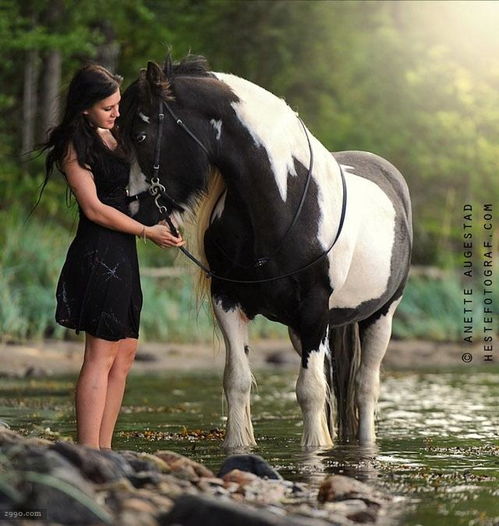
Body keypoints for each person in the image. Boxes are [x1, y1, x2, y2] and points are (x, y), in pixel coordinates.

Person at [41, 64, 183, 449]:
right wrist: (145, 231)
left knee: (124, 354)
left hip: (124, 253)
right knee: (100, 355)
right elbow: (94, 209)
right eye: (108, 107)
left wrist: (158, 225)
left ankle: (105, 449)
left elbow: (131, 192)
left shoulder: (112, 136)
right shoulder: (74, 145)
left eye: (118, 105)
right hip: (98, 252)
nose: (116, 113)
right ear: (85, 107)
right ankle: (89, 451)